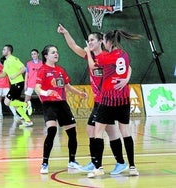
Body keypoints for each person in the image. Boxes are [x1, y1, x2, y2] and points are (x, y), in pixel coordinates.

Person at [57, 24, 132, 175]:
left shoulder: (105, 56)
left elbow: (129, 67)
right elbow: (73, 46)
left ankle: (98, 163)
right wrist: (66, 33)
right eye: (88, 40)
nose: (89, 43)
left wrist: (126, 80)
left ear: (100, 42)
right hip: (100, 101)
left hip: (106, 100)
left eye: (92, 40)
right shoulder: (89, 55)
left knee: (94, 129)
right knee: (110, 132)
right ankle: (117, 162)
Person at [85, 30, 141, 177]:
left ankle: (98, 168)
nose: (103, 43)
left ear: (109, 41)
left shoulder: (105, 56)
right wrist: (127, 79)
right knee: (126, 133)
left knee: (98, 133)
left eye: (103, 40)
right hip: (123, 99)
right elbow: (128, 68)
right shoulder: (124, 54)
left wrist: (87, 51)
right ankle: (133, 167)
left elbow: (92, 66)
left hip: (108, 99)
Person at [35, 44, 88, 174]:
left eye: (57, 52)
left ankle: (72, 161)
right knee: (52, 131)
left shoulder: (61, 70)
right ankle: (45, 163)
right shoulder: (42, 70)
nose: (56, 54)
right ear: (46, 55)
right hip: (49, 104)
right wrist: (45, 92)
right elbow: (37, 87)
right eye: (53, 52)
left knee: (72, 133)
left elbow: (68, 86)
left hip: (62, 104)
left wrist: (79, 93)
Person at [0, 44, 33, 127]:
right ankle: (28, 121)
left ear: (9, 51)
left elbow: (23, 68)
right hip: (14, 84)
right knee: (15, 104)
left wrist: (15, 75)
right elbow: (4, 74)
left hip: (18, 83)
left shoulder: (14, 59)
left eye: (4, 49)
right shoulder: (6, 61)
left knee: (7, 102)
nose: (2, 51)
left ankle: (26, 105)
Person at [24, 49, 43, 114]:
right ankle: (24, 113)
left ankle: (47, 111)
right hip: (30, 84)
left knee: (42, 98)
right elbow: (26, 74)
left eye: (34, 54)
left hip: (39, 84)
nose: (33, 55)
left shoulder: (42, 63)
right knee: (26, 99)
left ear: (38, 54)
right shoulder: (28, 63)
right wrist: (25, 84)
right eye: (32, 54)